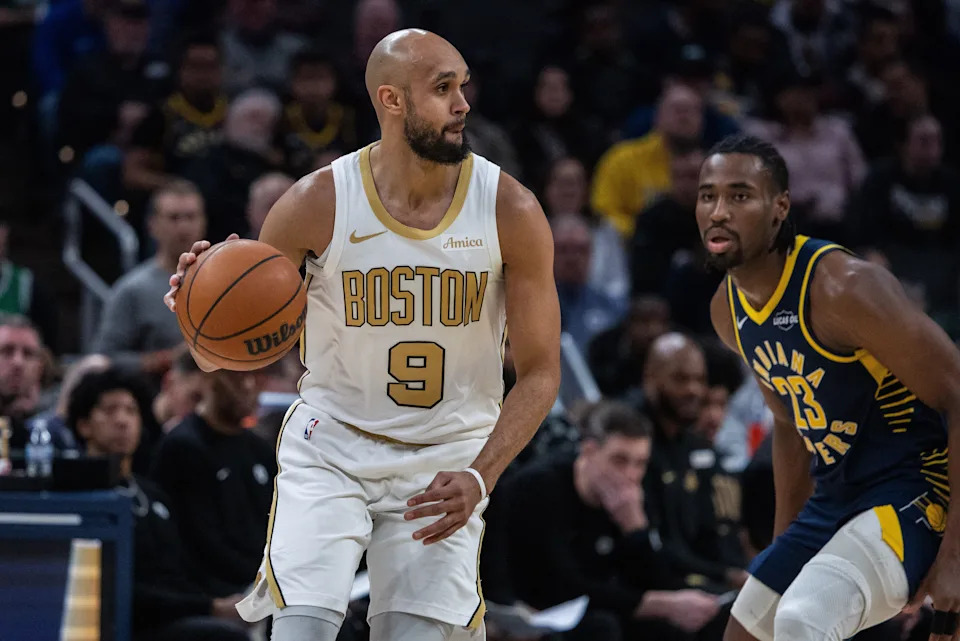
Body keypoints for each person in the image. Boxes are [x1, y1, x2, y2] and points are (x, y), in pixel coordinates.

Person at [163, 28, 561, 641]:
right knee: (303, 629)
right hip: (331, 447)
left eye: (464, 87)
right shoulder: (314, 203)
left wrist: (482, 475)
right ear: (392, 100)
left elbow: (540, 374)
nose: (463, 105)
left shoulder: (511, 210)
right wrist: (198, 312)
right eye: (443, 88)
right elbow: (222, 357)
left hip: (444, 457)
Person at [697, 134, 959, 641]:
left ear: (780, 209)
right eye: (708, 196)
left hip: (916, 488)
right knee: (749, 630)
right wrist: (782, 552)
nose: (719, 211)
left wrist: (955, 556)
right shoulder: (726, 311)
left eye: (740, 195)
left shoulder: (843, 287)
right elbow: (788, 423)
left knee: (803, 619)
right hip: (836, 496)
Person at [67, 368, 250, 641]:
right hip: (130, 623)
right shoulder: (82, 497)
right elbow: (116, 587)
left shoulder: (152, 493)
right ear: (84, 425)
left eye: (131, 411)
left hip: (180, 614)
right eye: (109, 410)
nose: (122, 421)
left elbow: (180, 572)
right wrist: (209, 608)